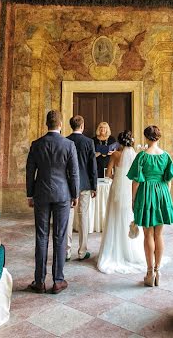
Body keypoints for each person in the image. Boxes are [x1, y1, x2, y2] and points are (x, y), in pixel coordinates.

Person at [25, 110, 79, 294]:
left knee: (41, 236)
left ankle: (39, 281)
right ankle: (58, 280)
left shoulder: (37, 144)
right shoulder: (68, 144)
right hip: (63, 194)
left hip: (41, 193)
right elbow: (73, 172)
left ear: (46, 123)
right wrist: (75, 194)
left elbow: (30, 171)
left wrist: (30, 194)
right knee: (60, 236)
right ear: (61, 124)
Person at [128, 125, 173, 287]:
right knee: (159, 235)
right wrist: (165, 195)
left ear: (146, 138)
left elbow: (136, 181)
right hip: (162, 193)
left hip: (146, 193)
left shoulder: (142, 156)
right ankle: (158, 271)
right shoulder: (166, 156)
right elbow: (169, 180)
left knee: (148, 235)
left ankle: (150, 273)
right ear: (159, 137)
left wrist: (133, 200)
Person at [96, 129, 146, 274]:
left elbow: (108, 173)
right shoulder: (136, 156)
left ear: (120, 142)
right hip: (130, 189)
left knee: (114, 217)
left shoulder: (116, 155)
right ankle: (131, 250)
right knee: (129, 216)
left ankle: (113, 251)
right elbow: (138, 175)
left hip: (117, 188)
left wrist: (116, 178)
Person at [65, 115, 97, 261]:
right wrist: (94, 185)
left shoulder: (65, 140)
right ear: (82, 125)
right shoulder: (89, 142)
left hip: (67, 184)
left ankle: (66, 252)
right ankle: (82, 252)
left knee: (68, 218)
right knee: (83, 216)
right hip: (84, 184)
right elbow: (92, 166)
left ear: (71, 125)